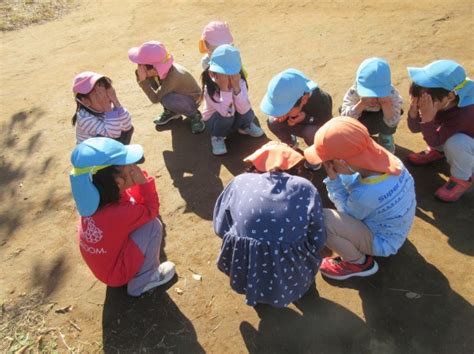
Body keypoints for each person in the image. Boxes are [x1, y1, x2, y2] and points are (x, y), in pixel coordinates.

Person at [213, 141, 326, 307]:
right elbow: (317, 236)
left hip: (248, 265)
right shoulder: (305, 188)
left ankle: (260, 302)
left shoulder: (238, 182)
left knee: (257, 287)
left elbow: (220, 226)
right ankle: (309, 300)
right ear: (295, 167)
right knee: (305, 286)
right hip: (294, 267)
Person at [304, 117, 416, 280]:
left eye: (330, 162)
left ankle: (358, 263)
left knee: (325, 221)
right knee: (348, 181)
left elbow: (347, 215)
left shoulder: (366, 194)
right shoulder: (391, 162)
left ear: (342, 161)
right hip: (397, 228)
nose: (327, 165)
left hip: (383, 242)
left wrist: (334, 181)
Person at [69, 137, 175, 296]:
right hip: (116, 274)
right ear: (118, 183)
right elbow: (151, 210)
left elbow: (133, 204)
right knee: (152, 226)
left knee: (141, 220)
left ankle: (134, 273)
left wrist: (134, 182)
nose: (135, 167)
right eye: (129, 166)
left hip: (105, 267)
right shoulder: (120, 213)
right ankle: (143, 281)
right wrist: (144, 182)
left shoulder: (95, 201)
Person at [406, 59, 474, 202]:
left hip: (466, 141)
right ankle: (439, 151)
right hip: (451, 133)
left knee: (457, 143)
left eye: (427, 100)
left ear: (450, 96)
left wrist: (427, 119)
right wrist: (414, 114)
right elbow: (415, 129)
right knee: (436, 130)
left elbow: (433, 138)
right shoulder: (441, 95)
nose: (423, 103)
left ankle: (463, 179)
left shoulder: (466, 112)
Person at [128, 40, 205, 134]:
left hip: (192, 100)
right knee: (156, 85)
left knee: (167, 99)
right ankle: (172, 111)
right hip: (177, 95)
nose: (138, 67)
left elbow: (155, 99)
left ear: (153, 69)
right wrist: (143, 78)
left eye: (140, 65)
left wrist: (143, 81)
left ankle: (194, 114)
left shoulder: (172, 77)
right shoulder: (159, 72)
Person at [201, 44, 264, 155]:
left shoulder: (240, 82)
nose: (229, 78)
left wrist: (236, 88)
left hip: (232, 116)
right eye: (224, 74)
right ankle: (217, 137)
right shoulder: (209, 88)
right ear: (213, 73)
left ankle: (244, 126)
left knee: (248, 113)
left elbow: (244, 109)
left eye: (232, 73)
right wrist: (224, 89)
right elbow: (226, 113)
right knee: (227, 117)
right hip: (216, 122)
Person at [340, 58, 403, 153]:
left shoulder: (391, 93)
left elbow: (393, 122)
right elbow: (345, 119)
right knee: (343, 111)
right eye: (368, 93)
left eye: (378, 94)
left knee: (394, 111)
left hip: (381, 119)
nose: (373, 99)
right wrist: (362, 103)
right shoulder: (354, 92)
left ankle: (385, 138)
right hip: (361, 120)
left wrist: (386, 104)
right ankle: (358, 137)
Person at [72, 71, 134, 145]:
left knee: (127, 129)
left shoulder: (105, 109)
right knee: (116, 132)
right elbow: (114, 135)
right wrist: (107, 107)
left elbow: (127, 126)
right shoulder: (84, 119)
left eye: (106, 92)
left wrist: (116, 102)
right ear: (84, 101)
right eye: (99, 95)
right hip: (92, 154)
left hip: (104, 147)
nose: (105, 99)